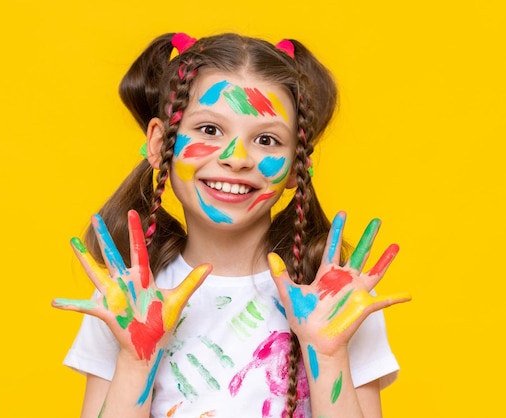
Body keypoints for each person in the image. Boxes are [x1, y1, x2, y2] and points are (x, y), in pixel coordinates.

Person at [52, 32, 411, 418]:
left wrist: (329, 353)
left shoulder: (334, 298)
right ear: (160, 143)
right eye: (209, 130)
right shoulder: (126, 296)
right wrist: (136, 359)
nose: (236, 157)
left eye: (268, 139)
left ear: (297, 165)